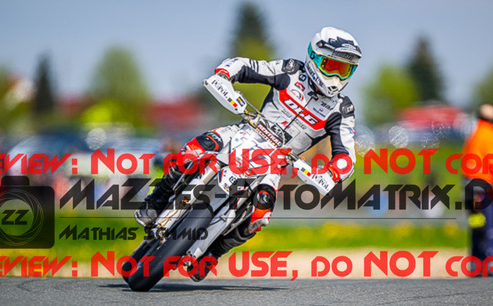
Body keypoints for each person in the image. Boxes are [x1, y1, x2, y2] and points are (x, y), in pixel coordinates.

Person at [135, 26, 362, 280]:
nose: (336, 77)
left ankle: (213, 253)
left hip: (276, 162)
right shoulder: (290, 71)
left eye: (344, 70)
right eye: (332, 66)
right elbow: (244, 65)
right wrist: (224, 77)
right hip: (247, 131)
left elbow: (346, 155)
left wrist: (331, 174)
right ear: (314, 57)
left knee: (260, 215)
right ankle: (157, 199)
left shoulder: (342, 109)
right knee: (194, 151)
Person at [462, 104, 493, 275]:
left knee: (477, 224)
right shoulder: (488, 135)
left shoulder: (474, 134)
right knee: (489, 226)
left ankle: (476, 264)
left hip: (469, 186)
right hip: (481, 187)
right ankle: (492, 265)